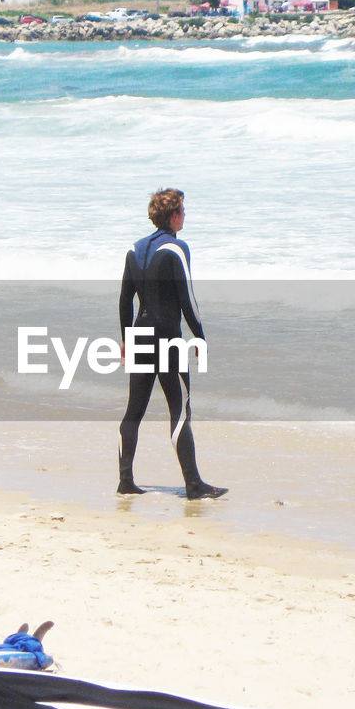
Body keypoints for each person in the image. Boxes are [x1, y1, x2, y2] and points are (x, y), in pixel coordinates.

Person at [117, 188, 227, 500]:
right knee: (179, 410)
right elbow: (187, 299)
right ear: (174, 215)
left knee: (133, 411)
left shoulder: (133, 250)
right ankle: (193, 484)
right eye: (183, 211)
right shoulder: (177, 249)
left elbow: (125, 299)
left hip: (139, 334)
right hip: (166, 337)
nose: (185, 216)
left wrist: (126, 339)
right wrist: (200, 337)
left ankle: (126, 481)